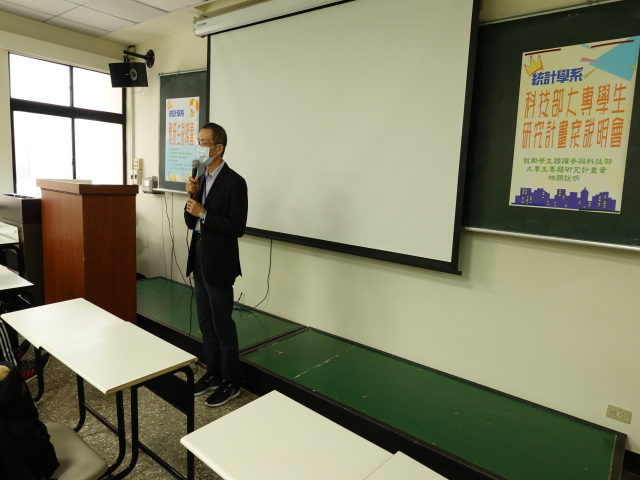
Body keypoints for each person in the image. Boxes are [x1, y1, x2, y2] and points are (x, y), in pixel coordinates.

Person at [184, 122, 248, 407]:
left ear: (218, 148)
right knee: (206, 322)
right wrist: (190, 197)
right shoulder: (199, 179)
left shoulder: (235, 182)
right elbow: (190, 222)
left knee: (223, 324)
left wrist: (204, 213)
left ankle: (231, 382)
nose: (199, 147)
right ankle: (213, 373)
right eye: (198, 141)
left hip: (220, 262)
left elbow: (237, 227)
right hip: (199, 256)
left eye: (204, 142)